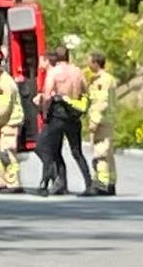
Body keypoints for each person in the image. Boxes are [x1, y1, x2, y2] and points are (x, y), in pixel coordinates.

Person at [36, 51, 84, 195]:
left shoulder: (54, 73)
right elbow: (84, 90)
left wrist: (44, 113)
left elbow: (47, 95)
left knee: (47, 148)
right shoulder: (77, 71)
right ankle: (86, 182)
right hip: (73, 114)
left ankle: (47, 182)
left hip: (57, 114)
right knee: (76, 151)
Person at [81, 50, 123, 195]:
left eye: (89, 61)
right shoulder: (98, 79)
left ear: (96, 63)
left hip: (102, 120)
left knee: (101, 153)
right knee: (107, 152)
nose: (88, 64)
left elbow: (102, 102)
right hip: (105, 120)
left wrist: (94, 121)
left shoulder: (104, 80)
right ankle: (110, 182)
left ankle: (101, 184)